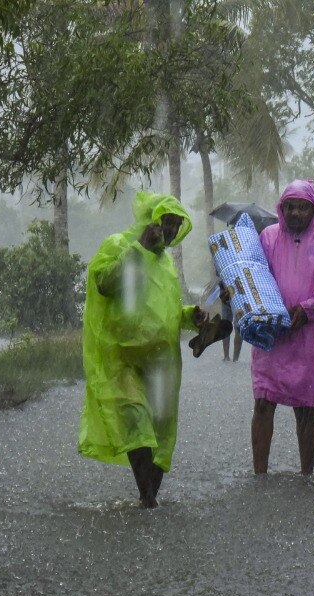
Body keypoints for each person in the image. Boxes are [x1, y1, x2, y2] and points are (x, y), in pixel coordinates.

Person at [79, 191, 210, 508]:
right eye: (166, 222)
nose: (170, 230)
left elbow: (165, 312)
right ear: (150, 220)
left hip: (161, 363)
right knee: (137, 423)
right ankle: (148, 501)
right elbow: (104, 283)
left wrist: (190, 316)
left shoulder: (166, 264)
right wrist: (139, 248)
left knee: (161, 434)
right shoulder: (119, 245)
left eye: (176, 225)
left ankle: (148, 503)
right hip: (122, 360)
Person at [250, 179, 314, 475]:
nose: (295, 213)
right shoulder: (268, 236)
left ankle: (306, 474)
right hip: (273, 336)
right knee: (263, 402)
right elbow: (255, 274)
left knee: (305, 407)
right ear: (281, 209)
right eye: (290, 207)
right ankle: (259, 474)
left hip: (311, 338)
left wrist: (308, 310)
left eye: (302, 207)